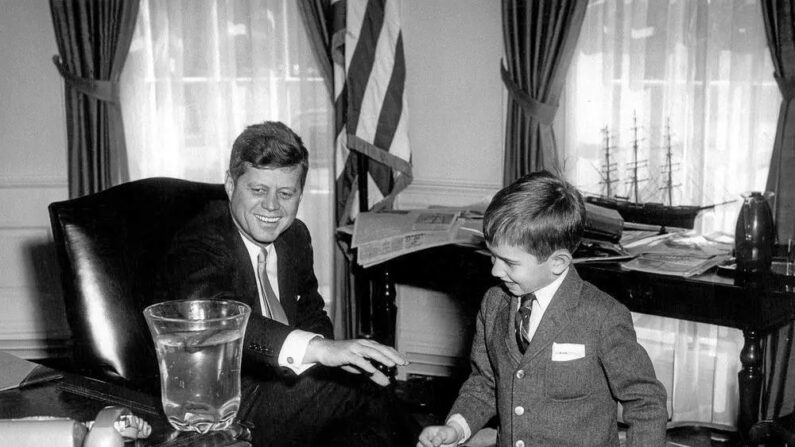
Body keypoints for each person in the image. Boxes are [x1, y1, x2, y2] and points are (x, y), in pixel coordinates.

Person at [156, 121, 417, 447]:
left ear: (299, 195)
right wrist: (318, 350)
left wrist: (326, 359)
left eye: (285, 193)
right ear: (229, 184)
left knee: (366, 388)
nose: (271, 206)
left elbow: (311, 309)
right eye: (258, 190)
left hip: (286, 388)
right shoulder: (199, 241)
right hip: (226, 403)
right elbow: (218, 323)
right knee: (354, 396)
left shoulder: (295, 236)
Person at [417, 171, 668, 447]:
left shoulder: (602, 316)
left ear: (558, 263)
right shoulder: (494, 304)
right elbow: (485, 383)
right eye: (493, 256)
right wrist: (456, 428)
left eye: (509, 263)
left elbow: (646, 401)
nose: (495, 270)